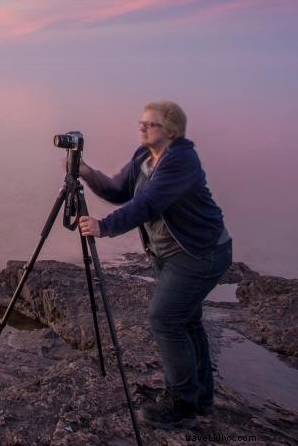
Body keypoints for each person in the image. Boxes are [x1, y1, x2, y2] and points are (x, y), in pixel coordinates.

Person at [76, 100, 231, 430]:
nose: (143, 127)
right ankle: (200, 398)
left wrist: (104, 227)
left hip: (199, 254)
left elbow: (147, 203)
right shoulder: (144, 157)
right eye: (142, 122)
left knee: (165, 320)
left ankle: (182, 404)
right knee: (187, 322)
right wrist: (87, 173)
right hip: (172, 254)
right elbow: (120, 191)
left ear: (172, 131)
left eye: (152, 124)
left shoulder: (181, 161)